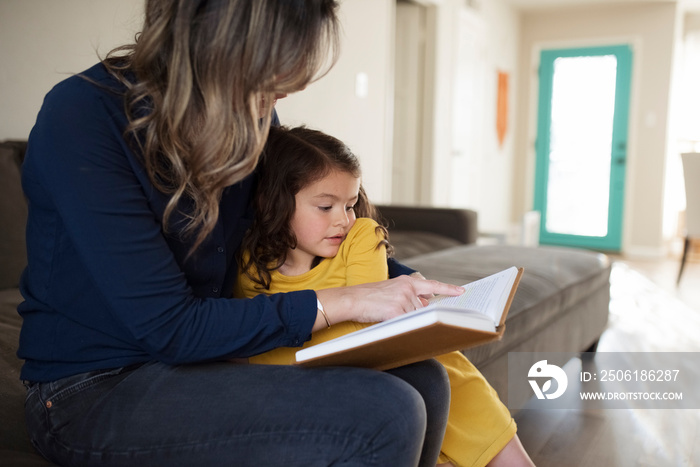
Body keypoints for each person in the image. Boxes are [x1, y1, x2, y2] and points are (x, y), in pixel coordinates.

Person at [17, 1, 467, 466]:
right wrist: (348, 300)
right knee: (387, 412)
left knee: (424, 379)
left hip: (205, 357)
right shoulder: (83, 116)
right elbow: (169, 327)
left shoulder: (251, 117)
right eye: (269, 80)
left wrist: (415, 290)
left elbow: (296, 231)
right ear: (218, 46)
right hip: (94, 385)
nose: (286, 95)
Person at [234, 125, 536, 467]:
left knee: (450, 379)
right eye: (325, 207)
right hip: (341, 389)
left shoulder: (361, 236)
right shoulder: (249, 267)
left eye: (350, 204)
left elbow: (368, 327)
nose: (344, 220)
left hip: (400, 363)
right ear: (274, 202)